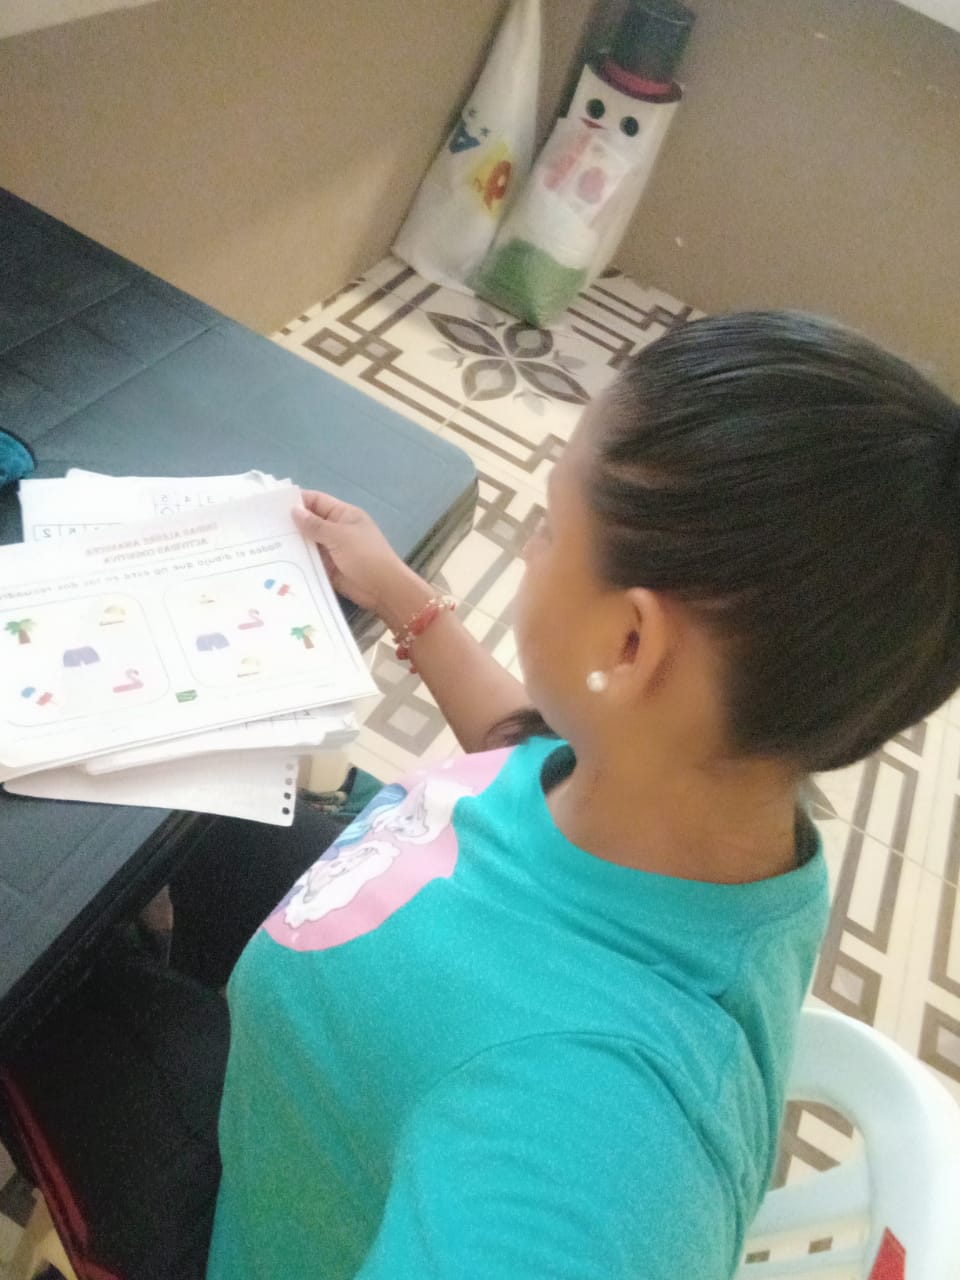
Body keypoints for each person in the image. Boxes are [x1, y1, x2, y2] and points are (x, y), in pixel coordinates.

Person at [4, 311, 960, 1280]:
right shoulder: (709, 801)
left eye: (551, 523)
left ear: (628, 643)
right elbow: (540, 751)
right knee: (177, 806)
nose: (533, 545)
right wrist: (405, 600)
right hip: (336, 1032)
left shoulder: (587, 1147)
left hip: (234, 1212)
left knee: (36, 968)